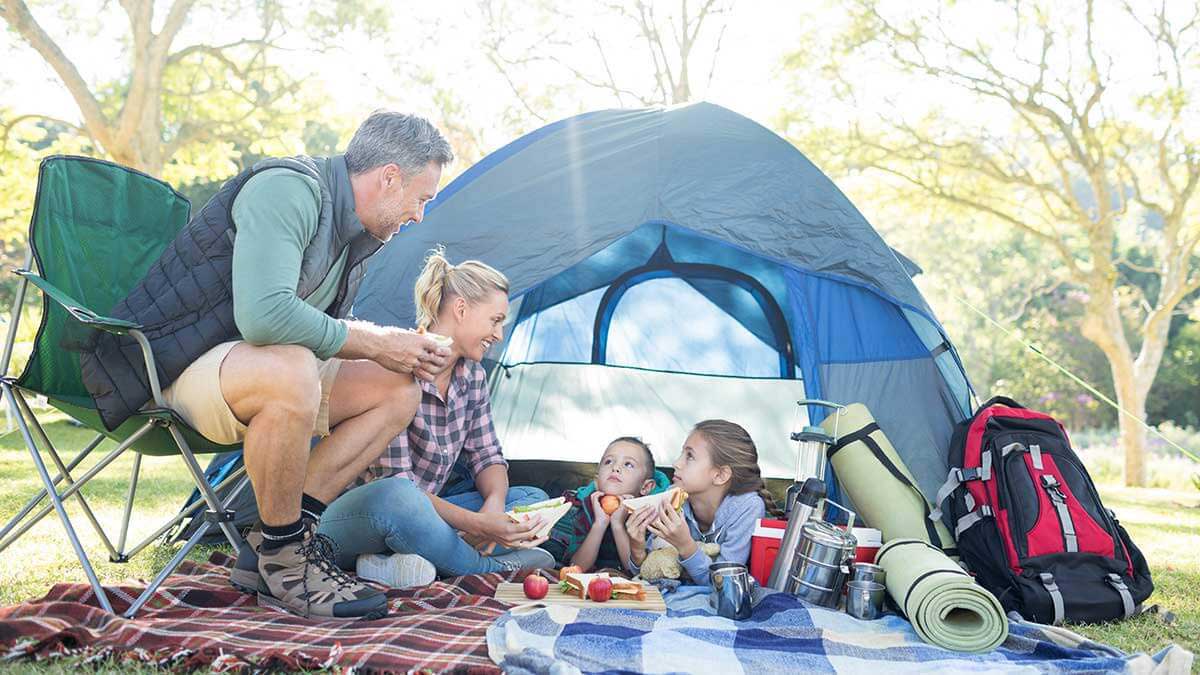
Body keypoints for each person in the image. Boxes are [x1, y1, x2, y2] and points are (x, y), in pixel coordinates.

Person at [81, 111, 456, 620]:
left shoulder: (356, 238)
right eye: (421, 198)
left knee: (396, 387)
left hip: (247, 369)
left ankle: (278, 546)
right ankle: (285, 556)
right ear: (389, 176)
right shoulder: (289, 189)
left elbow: (311, 335)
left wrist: (395, 352)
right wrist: (373, 339)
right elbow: (263, 316)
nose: (420, 215)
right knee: (292, 370)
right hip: (166, 367)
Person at [317, 250, 554, 588]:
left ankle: (405, 562)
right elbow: (400, 486)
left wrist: (493, 508)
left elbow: (487, 456)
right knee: (401, 501)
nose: (499, 334)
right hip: (365, 516)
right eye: (495, 320)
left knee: (530, 500)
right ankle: (483, 568)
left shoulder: (471, 376)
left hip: (427, 516)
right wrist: (476, 525)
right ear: (461, 309)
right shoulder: (397, 365)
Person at [626, 420, 776, 585]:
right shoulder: (674, 497)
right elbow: (651, 570)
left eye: (689, 456)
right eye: (682, 453)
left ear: (720, 475)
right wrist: (637, 549)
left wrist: (685, 545)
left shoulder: (747, 507)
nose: (676, 463)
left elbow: (723, 584)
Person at [543, 437, 671, 572]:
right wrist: (599, 524)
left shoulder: (649, 513)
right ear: (597, 482)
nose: (615, 468)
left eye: (628, 464)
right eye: (608, 461)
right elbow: (575, 568)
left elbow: (637, 572)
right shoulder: (584, 508)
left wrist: (617, 525)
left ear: (646, 487)